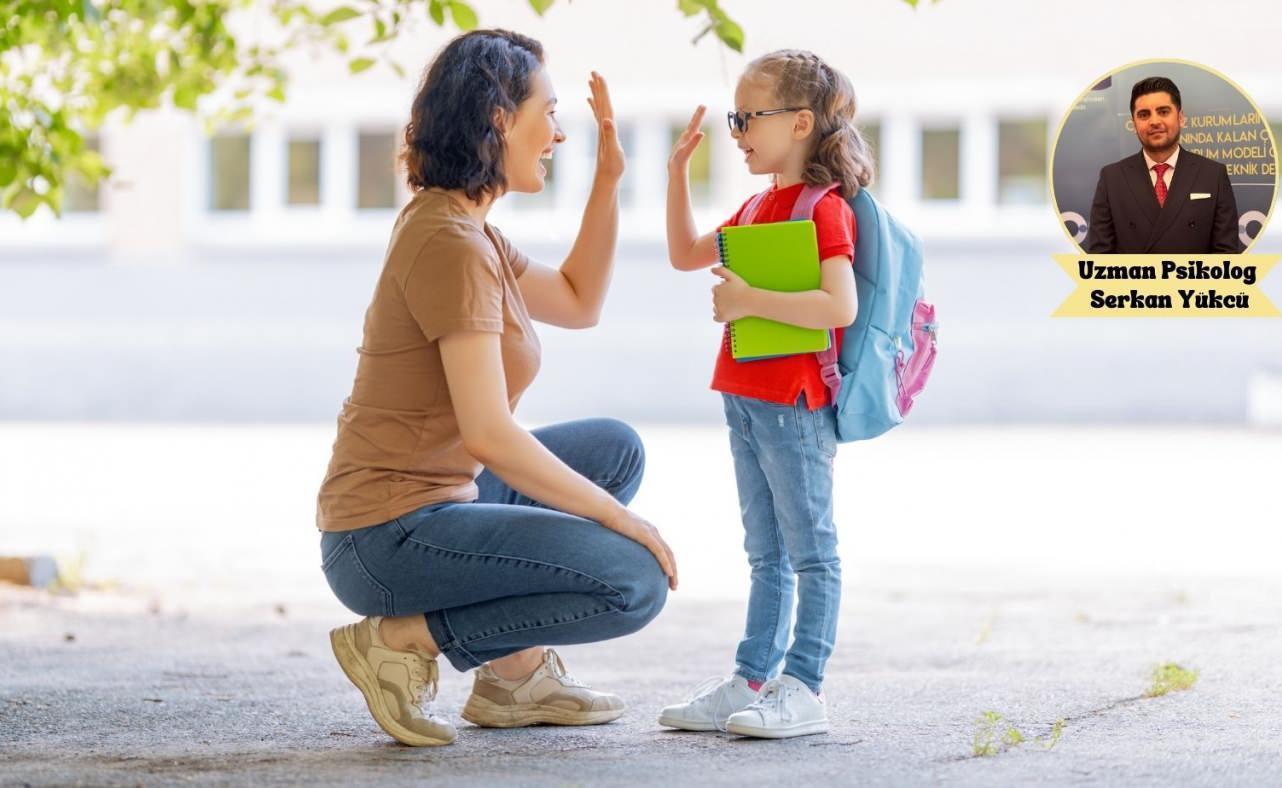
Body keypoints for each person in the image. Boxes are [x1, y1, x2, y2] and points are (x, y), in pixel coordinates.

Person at [315, 29, 676, 747]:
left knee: (614, 450)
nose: (560, 133)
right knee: (632, 581)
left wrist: (608, 182)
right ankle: (404, 638)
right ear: (500, 118)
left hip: (444, 504)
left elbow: (577, 300)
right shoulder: (450, 243)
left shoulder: (469, 229)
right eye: (549, 111)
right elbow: (488, 433)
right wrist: (620, 521)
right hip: (385, 538)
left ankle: (514, 679)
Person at [659, 48, 869, 739]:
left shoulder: (822, 208)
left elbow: (836, 307)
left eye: (749, 117)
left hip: (795, 402)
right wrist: (674, 176)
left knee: (811, 550)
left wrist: (751, 297)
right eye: (735, 118)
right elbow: (686, 253)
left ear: (802, 122)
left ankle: (804, 686)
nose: (739, 131)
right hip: (745, 395)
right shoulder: (755, 205)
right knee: (765, 552)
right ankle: (752, 679)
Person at [1085, 76, 1241, 254]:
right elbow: (1100, 261)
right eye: (1144, 115)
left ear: (1180, 117)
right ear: (1134, 124)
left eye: (1163, 111)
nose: (1154, 122)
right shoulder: (1112, 178)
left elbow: (1225, 257)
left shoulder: (1213, 175)